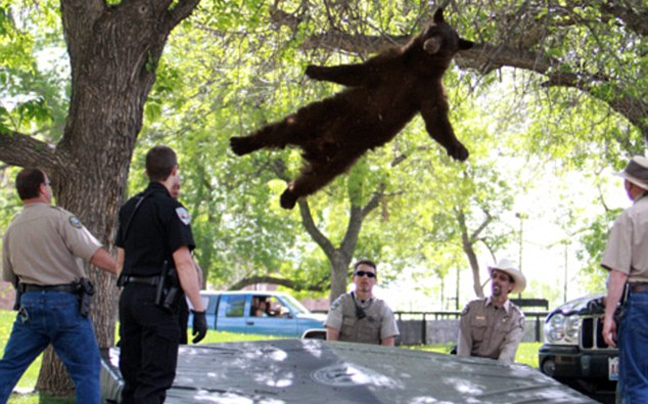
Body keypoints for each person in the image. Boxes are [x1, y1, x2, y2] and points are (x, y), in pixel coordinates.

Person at [0, 168, 117, 404]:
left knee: (9, 367)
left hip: (29, 305)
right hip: (65, 304)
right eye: (49, 183)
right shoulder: (60, 218)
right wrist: (122, 271)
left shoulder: (12, 228)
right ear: (42, 188)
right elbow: (93, 253)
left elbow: (9, 275)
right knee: (86, 370)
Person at [115, 145, 207, 404]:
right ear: (174, 170)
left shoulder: (130, 207)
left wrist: (131, 296)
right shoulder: (172, 210)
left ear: (147, 172)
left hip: (130, 298)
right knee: (155, 380)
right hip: (158, 301)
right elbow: (184, 263)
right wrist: (198, 310)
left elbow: (120, 262)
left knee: (131, 380)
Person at [601, 156, 648, 404]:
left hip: (642, 304)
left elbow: (618, 273)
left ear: (632, 185)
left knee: (638, 383)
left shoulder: (630, 217)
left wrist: (609, 316)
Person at [456, 258, 526, 364]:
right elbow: (463, 350)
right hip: (470, 368)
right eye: (494, 276)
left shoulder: (516, 317)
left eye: (502, 278)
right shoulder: (472, 309)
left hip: (497, 373)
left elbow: (507, 357)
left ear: (510, 286)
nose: (496, 280)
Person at [324, 260, 400, 346]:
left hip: (372, 358)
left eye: (370, 275)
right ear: (353, 278)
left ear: (375, 281)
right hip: (344, 358)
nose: (365, 277)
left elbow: (388, 346)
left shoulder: (383, 308)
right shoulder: (341, 303)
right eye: (360, 273)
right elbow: (331, 342)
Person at [170, 181, 204, 345]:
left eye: (179, 187)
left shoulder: (134, 207)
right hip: (165, 296)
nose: (176, 190)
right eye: (173, 186)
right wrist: (199, 311)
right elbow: (183, 263)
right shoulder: (175, 212)